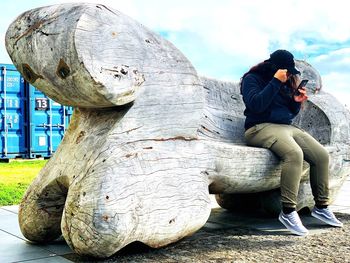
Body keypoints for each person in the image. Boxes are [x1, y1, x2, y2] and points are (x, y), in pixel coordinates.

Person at [240, 49, 343, 236]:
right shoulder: (252, 79)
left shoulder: (286, 81)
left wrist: (295, 102)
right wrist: (275, 81)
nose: (289, 75)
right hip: (258, 128)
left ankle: (321, 206)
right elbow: (256, 105)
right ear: (274, 67)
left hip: (285, 127)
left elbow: (288, 113)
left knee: (321, 155)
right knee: (294, 154)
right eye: (286, 71)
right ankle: (288, 211)